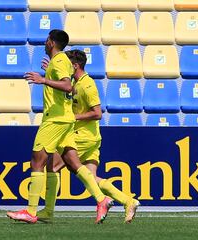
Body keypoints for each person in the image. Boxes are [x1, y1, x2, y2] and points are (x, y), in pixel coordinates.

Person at [6, 30, 113, 224]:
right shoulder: (61, 61)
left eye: (47, 40)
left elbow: (67, 86)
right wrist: (49, 72)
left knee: (37, 161)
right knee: (72, 164)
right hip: (66, 120)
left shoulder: (60, 60)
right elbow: (67, 80)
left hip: (55, 120)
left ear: (51, 42)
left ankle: (31, 211)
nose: (45, 43)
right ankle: (101, 199)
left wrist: (43, 79)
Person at [37, 50, 140, 224]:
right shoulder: (76, 81)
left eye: (67, 65)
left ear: (75, 66)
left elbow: (97, 113)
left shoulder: (87, 85)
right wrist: (51, 71)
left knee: (52, 167)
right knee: (91, 178)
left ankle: (48, 211)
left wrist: (73, 117)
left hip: (82, 136)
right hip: (90, 136)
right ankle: (128, 201)